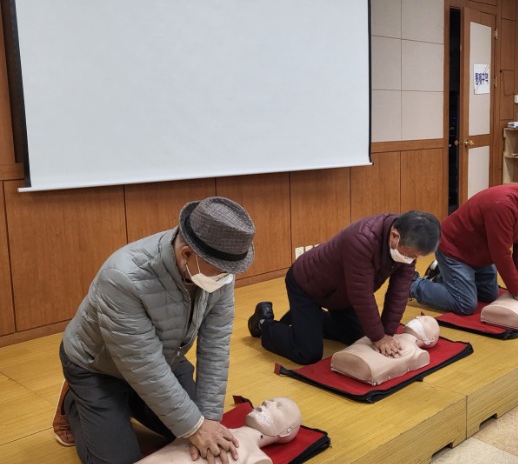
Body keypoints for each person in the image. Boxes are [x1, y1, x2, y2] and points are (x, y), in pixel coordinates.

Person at [55, 196, 256, 464]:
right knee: (120, 458)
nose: (227, 278)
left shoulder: (218, 268)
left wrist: (207, 418)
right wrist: (194, 427)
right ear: (186, 254)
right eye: (222, 272)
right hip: (98, 368)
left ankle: (126, 404)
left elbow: (216, 345)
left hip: (165, 356)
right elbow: (143, 365)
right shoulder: (123, 277)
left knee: (198, 430)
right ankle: (74, 401)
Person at [248, 211, 441, 365]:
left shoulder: (407, 245)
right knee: (308, 354)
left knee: (363, 337)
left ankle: (303, 320)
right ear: (394, 236)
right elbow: (362, 295)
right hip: (308, 285)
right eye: (409, 255)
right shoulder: (362, 239)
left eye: (415, 257)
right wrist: (379, 337)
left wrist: (387, 333)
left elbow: (399, 292)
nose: (410, 260)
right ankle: (264, 324)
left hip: (342, 294)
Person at [409, 183, 518, 315]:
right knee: (466, 305)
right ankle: (413, 284)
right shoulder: (504, 205)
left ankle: (442, 276)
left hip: (480, 254)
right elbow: (501, 252)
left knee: (489, 295)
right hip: (455, 250)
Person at [136, 397, 301, 464]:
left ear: (286, 431)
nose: (266, 402)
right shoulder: (210, 426)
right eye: (270, 400)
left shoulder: (258, 459)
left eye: (279, 407)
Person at [330, 315, 441, 386]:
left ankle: (360, 365)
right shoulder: (389, 335)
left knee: (395, 354)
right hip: (350, 356)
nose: (418, 317)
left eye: (425, 320)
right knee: (366, 341)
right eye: (419, 316)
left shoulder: (419, 353)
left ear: (431, 339)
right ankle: (352, 358)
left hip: (367, 368)